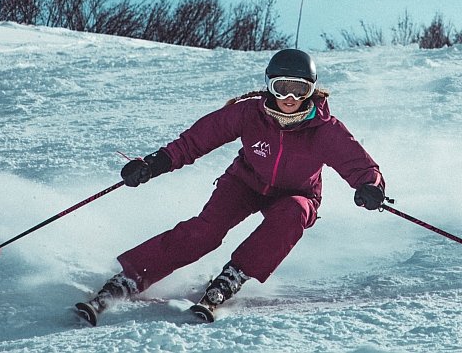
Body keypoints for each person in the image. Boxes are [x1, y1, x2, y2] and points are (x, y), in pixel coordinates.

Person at [75, 49, 387, 325]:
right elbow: (196, 140)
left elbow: (360, 165)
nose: (289, 99)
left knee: (294, 214)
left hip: (297, 192)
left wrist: (370, 186)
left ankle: (234, 275)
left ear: (312, 91)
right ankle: (131, 278)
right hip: (245, 182)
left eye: (299, 90)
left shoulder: (324, 130)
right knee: (206, 232)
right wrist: (154, 164)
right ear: (269, 86)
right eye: (282, 88)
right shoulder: (249, 113)